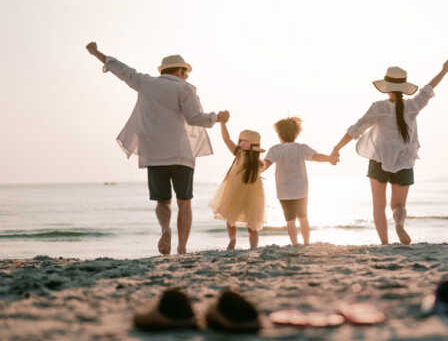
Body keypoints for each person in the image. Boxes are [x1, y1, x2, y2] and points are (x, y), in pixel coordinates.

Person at [85, 42, 228, 255]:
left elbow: (121, 70)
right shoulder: (185, 88)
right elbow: (194, 118)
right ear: (180, 71)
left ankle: (165, 229)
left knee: (162, 201)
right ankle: (181, 248)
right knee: (184, 202)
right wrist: (217, 117)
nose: (187, 77)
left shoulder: (145, 82)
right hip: (180, 155)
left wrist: (97, 53)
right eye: (186, 73)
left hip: (154, 155)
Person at [331, 59, 448, 245]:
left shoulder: (379, 107)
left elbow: (356, 130)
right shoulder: (413, 106)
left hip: (379, 160)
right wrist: (444, 71)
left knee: (378, 207)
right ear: (403, 88)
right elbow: (428, 89)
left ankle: (385, 243)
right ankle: (399, 224)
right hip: (405, 161)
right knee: (398, 205)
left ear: (386, 88)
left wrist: (337, 148)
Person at [262, 117, 338, 245]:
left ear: (279, 134)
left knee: (290, 220)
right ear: (296, 133)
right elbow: (316, 157)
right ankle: (306, 242)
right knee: (303, 218)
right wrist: (330, 159)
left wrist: (254, 172)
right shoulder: (301, 148)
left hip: (283, 191)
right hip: (300, 190)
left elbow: (265, 164)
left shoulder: (275, 149)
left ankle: (295, 244)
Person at [209, 119, 267, 250]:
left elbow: (226, 139)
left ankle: (232, 239)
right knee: (253, 224)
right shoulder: (259, 163)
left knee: (230, 218)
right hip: (254, 196)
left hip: (234, 192)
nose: (240, 144)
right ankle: (253, 247)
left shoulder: (239, 154)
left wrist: (222, 123)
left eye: (242, 142)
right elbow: (269, 163)